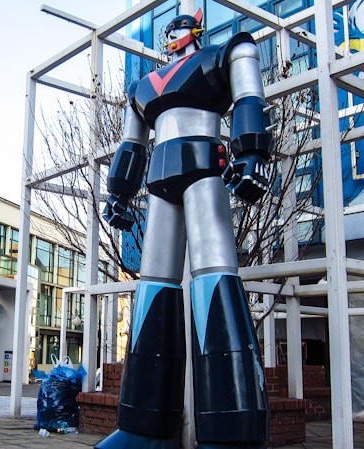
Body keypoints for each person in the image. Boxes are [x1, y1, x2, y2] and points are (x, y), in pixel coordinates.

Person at [97, 9, 272, 449]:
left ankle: (232, 433)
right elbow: (131, 144)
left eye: (177, 30)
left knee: (215, 274)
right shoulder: (142, 88)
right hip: (159, 180)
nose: (171, 36)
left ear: (193, 31)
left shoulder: (222, 57)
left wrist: (250, 153)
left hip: (203, 168)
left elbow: (251, 99)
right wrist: (118, 193)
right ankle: (143, 427)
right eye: (168, 32)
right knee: (155, 283)